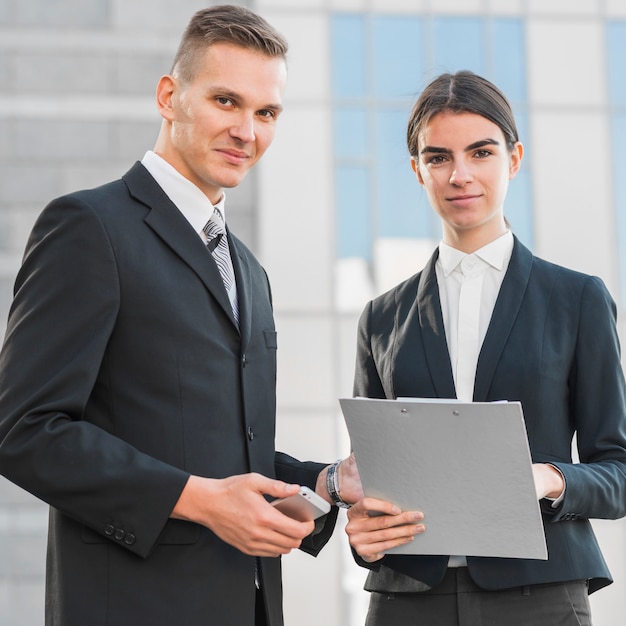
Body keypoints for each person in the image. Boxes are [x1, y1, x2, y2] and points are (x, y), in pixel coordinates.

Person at [0, 5, 358, 626]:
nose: (247, 130)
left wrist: (323, 483)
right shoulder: (90, 228)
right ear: (170, 96)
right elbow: (23, 430)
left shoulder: (248, 270)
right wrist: (199, 501)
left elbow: (226, 450)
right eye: (226, 101)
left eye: (266, 112)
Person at [343, 70, 626, 625]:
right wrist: (363, 533)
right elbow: (371, 479)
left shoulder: (578, 299)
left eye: (481, 152)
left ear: (514, 158)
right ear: (416, 170)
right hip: (406, 598)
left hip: (539, 592)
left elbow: (617, 469)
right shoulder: (380, 318)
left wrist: (547, 477)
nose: (461, 175)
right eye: (439, 157)